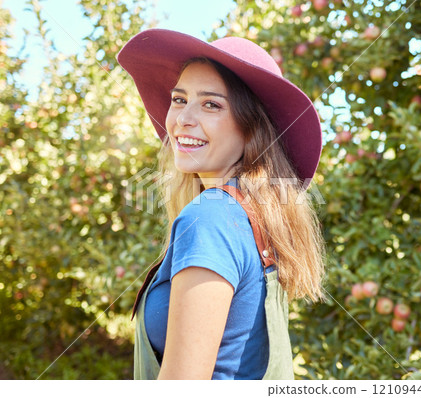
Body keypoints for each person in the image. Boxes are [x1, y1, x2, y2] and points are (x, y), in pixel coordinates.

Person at [117, 29, 326, 380]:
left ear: (251, 128)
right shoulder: (251, 218)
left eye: (211, 104)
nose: (182, 118)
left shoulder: (210, 218)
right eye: (179, 99)